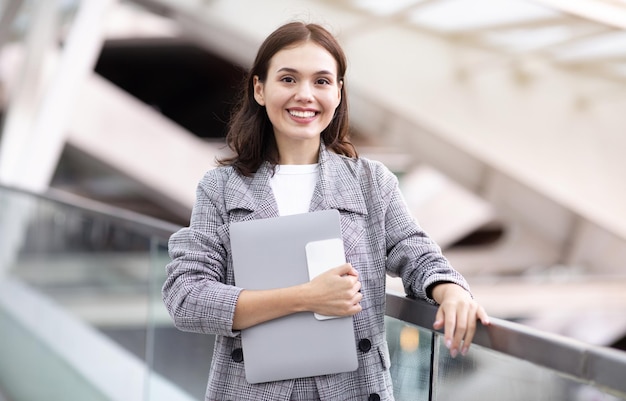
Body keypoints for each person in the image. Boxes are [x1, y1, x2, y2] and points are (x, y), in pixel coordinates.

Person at [162, 21, 490, 401]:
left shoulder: (371, 182)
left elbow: (419, 256)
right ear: (259, 89)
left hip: (352, 389)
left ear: (338, 92)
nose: (305, 95)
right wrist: (306, 297)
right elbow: (185, 297)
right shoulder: (220, 188)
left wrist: (451, 292)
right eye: (288, 79)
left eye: (321, 81)